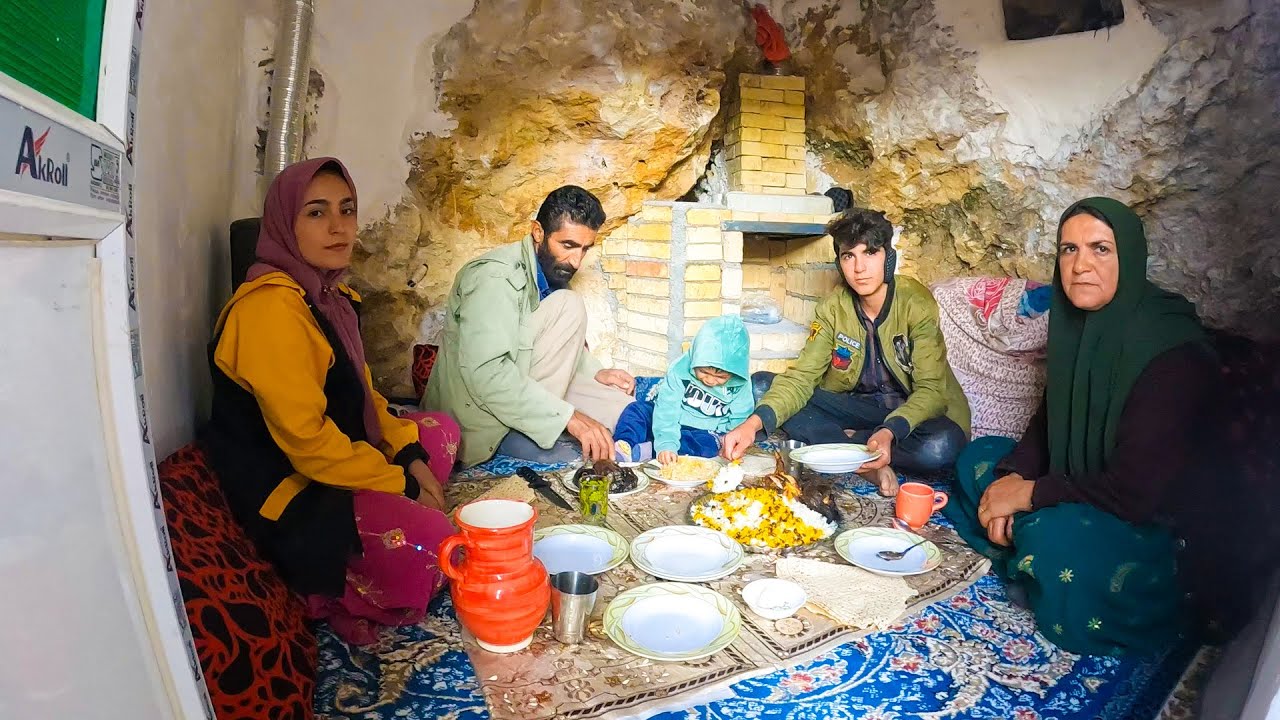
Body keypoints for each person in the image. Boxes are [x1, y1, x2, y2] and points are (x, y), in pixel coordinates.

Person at [944, 197, 1216, 656]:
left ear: (1128, 257)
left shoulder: (1171, 351)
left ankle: (1038, 558)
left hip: (1142, 519)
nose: (1081, 265)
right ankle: (1027, 550)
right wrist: (1013, 479)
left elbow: (1136, 493)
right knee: (980, 456)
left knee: (1057, 539)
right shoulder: (1075, 325)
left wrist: (1029, 494)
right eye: (1068, 250)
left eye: (1100, 249)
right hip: (1073, 486)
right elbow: (1047, 422)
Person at [204, 158, 460, 645]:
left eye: (347, 209)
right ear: (284, 223)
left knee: (440, 433)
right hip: (292, 490)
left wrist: (412, 458)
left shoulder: (329, 297)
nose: (339, 226)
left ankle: (394, 513)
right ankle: (329, 590)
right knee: (435, 543)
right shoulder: (269, 310)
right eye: (316, 213)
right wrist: (403, 485)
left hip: (333, 457)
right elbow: (309, 444)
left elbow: (365, 395)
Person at [721, 208, 970, 496]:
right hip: (856, 410)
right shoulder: (833, 307)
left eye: (870, 253)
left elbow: (931, 390)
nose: (859, 268)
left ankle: (847, 446)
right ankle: (862, 457)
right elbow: (802, 378)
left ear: (889, 258)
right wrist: (752, 425)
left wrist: (889, 432)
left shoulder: (916, 303)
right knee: (763, 386)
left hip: (910, 414)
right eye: (848, 256)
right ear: (839, 263)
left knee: (942, 446)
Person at [424, 185, 635, 467]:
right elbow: (487, 375)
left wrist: (597, 373)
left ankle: (545, 425)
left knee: (622, 408)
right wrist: (569, 419)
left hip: (524, 386)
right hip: (477, 418)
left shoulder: (550, 268)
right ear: (538, 232)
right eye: (568, 245)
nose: (576, 261)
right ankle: (521, 435)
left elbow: (544, 345)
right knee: (569, 305)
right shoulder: (495, 279)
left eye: (585, 249)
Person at [614, 315, 755, 464]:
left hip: (707, 430)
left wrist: (727, 438)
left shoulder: (740, 384)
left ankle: (647, 451)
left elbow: (741, 417)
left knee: (705, 447)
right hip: (670, 418)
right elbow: (667, 409)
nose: (710, 380)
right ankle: (624, 445)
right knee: (637, 410)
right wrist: (667, 443)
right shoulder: (679, 370)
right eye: (704, 372)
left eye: (721, 377)